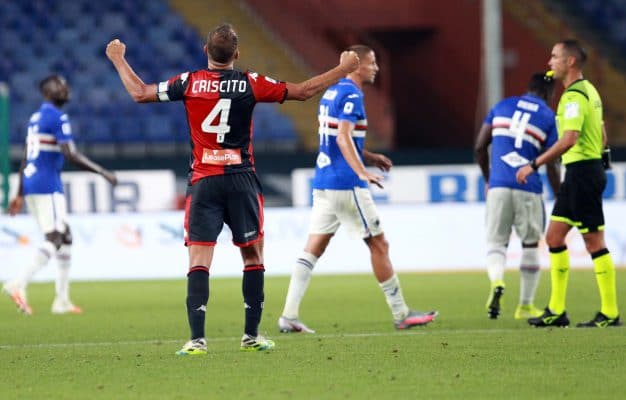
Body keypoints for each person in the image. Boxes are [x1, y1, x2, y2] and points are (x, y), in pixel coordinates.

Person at [105, 23, 360, 354]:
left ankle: (197, 340)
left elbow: (140, 93)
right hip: (241, 180)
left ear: (205, 52)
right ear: (237, 55)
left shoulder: (189, 82)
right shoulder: (250, 83)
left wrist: (118, 58)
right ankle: (251, 335)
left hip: (204, 181)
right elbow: (302, 91)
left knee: (198, 258)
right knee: (253, 254)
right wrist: (343, 69)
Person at [278, 45, 437, 334]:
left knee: (313, 248)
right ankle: (401, 313)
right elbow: (342, 138)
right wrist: (362, 170)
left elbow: (337, 137)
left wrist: (370, 156)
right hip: (346, 182)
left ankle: (289, 315)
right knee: (379, 244)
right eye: (372, 62)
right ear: (357, 66)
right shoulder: (352, 94)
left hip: (324, 180)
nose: (376, 67)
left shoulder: (332, 92)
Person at [516, 39, 621, 328]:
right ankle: (557, 311)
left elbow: (569, 139)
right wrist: (605, 157)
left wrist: (535, 164)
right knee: (553, 238)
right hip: (580, 173)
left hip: (582, 173)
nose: (549, 62)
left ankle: (610, 312)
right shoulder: (590, 91)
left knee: (593, 241)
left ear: (570, 62)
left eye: (554, 57)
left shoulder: (573, 97)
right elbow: (600, 129)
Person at [3, 75, 118, 315]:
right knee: (55, 237)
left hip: (32, 182)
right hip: (47, 184)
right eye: (59, 85)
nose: (65, 88)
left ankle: (62, 300)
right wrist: (103, 172)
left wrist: (19, 192)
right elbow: (70, 154)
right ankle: (18, 283)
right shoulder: (57, 116)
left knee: (65, 236)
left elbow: (25, 156)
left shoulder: (35, 117)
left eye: (66, 84)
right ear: (47, 91)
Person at [475, 72, 561, 320]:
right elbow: (552, 163)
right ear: (549, 93)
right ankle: (525, 304)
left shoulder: (502, 106)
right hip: (528, 187)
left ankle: (497, 281)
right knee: (530, 244)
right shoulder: (548, 117)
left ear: (528, 88)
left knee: (496, 242)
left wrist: (488, 178)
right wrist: (560, 197)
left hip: (499, 185)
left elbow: (480, 146)